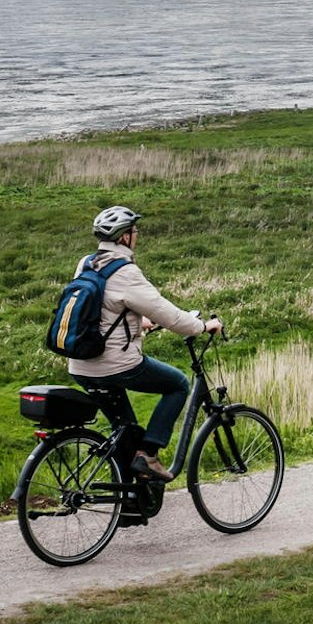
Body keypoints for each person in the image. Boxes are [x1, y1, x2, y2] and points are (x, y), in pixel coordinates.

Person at [69, 206, 221, 481]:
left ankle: (128, 496)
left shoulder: (86, 263)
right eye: (134, 231)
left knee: (124, 430)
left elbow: (99, 309)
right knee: (177, 384)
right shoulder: (126, 271)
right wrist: (202, 326)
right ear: (125, 237)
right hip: (115, 364)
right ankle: (149, 455)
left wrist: (138, 323)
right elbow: (170, 315)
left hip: (80, 365)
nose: (137, 235)